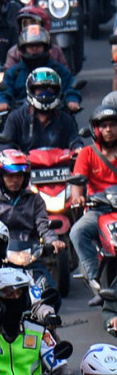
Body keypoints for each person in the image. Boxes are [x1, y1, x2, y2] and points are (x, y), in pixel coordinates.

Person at [0, 150, 65, 289]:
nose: (15, 180)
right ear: (0, 176)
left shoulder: (35, 200)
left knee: (50, 292)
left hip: (30, 259)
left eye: (19, 176)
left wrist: (52, 241)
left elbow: (43, 225)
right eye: (10, 176)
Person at [70, 105, 117, 301]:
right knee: (77, 231)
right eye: (104, 126)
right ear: (96, 130)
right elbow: (77, 182)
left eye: (113, 125)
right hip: (99, 210)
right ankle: (94, 279)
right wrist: (77, 197)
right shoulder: (87, 153)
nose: (108, 130)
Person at [0, 25, 81, 112]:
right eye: (31, 46)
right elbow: (4, 91)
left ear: (46, 47)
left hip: (55, 116)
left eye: (38, 46)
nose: (35, 49)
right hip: (22, 118)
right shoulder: (13, 73)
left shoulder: (58, 70)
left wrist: (72, 100)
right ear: (22, 49)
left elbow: (70, 88)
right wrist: (2, 102)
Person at [0, 68, 82, 152]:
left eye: (50, 90)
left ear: (57, 91)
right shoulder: (16, 118)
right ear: (31, 91)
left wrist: (78, 149)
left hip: (61, 164)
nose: (44, 94)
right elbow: (6, 146)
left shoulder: (66, 120)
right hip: (26, 164)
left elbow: (75, 141)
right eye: (40, 90)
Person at [4, 5, 69, 69]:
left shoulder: (56, 52)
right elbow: (9, 77)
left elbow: (66, 76)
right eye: (25, 24)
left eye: (33, 22)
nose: (29, 27)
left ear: (43, 25)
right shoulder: (14, 53)